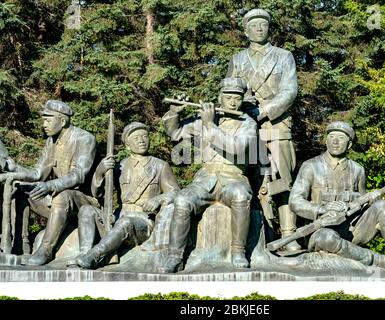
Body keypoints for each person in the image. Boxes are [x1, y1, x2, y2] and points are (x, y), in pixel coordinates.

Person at [289, 121, 385, 272]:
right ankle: (382, 261)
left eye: (341, 138)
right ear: (326, 140)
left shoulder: (357, 169)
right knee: (326, 239)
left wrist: (371, 201)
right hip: (321, 230)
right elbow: (295, 201)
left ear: (349, 145)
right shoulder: (311, 166)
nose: (335, 141)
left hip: (352, 229)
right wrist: (322, 208)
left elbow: (362, 205)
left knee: (383, 205)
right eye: (331, 136)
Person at [160, 77, 257, 272]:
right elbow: (175, 133)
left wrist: (209, 125)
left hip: (234, 177)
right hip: (206, 178)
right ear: (220, 97)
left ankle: (238, 251)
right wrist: (173, 113)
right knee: (182, 200)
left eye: (237, 98)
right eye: (228, 97)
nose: (232, 102)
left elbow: (236, 148)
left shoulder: (247, 123)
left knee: (241, 195)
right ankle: (174, 256)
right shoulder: (207, 118)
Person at [226, 8, 300, 253]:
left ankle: (289, 237)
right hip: (246, 128)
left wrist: (264, 111)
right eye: (254, 25)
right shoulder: (237, 60)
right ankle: (262, 237)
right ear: (246, 31)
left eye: (263, 25)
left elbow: (289, 91)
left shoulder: (283, 56)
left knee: (283, 181)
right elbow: (229, 91)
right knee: (253, 182)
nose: (259, 29)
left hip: (276, 125)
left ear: (269, 29)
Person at [0, 100, 97, 265]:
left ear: (62, 121)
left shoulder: (84, 139)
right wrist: (13, 168)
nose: (44, 124)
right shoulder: (51, 142)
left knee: (63, 196)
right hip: (58, 196)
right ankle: (21, 245)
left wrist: (50, 186)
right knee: (22, 190)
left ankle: (46, 250)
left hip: (83, 200)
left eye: (48, 120)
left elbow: (79, 175)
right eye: (43, 120)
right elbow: (38, 173)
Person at [73, 122, 180, 269]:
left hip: (143, 221)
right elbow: (97, 194)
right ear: (127, 145)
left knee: (126, 223)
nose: (142, 140)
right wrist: (99, 172)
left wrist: (158, 199)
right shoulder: (119, 166)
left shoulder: (160, 166)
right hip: (118, 216)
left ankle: (94, 255)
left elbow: (176, 192)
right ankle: (84, 254)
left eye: (144, 136)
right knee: (87, 210)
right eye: (136, 138)